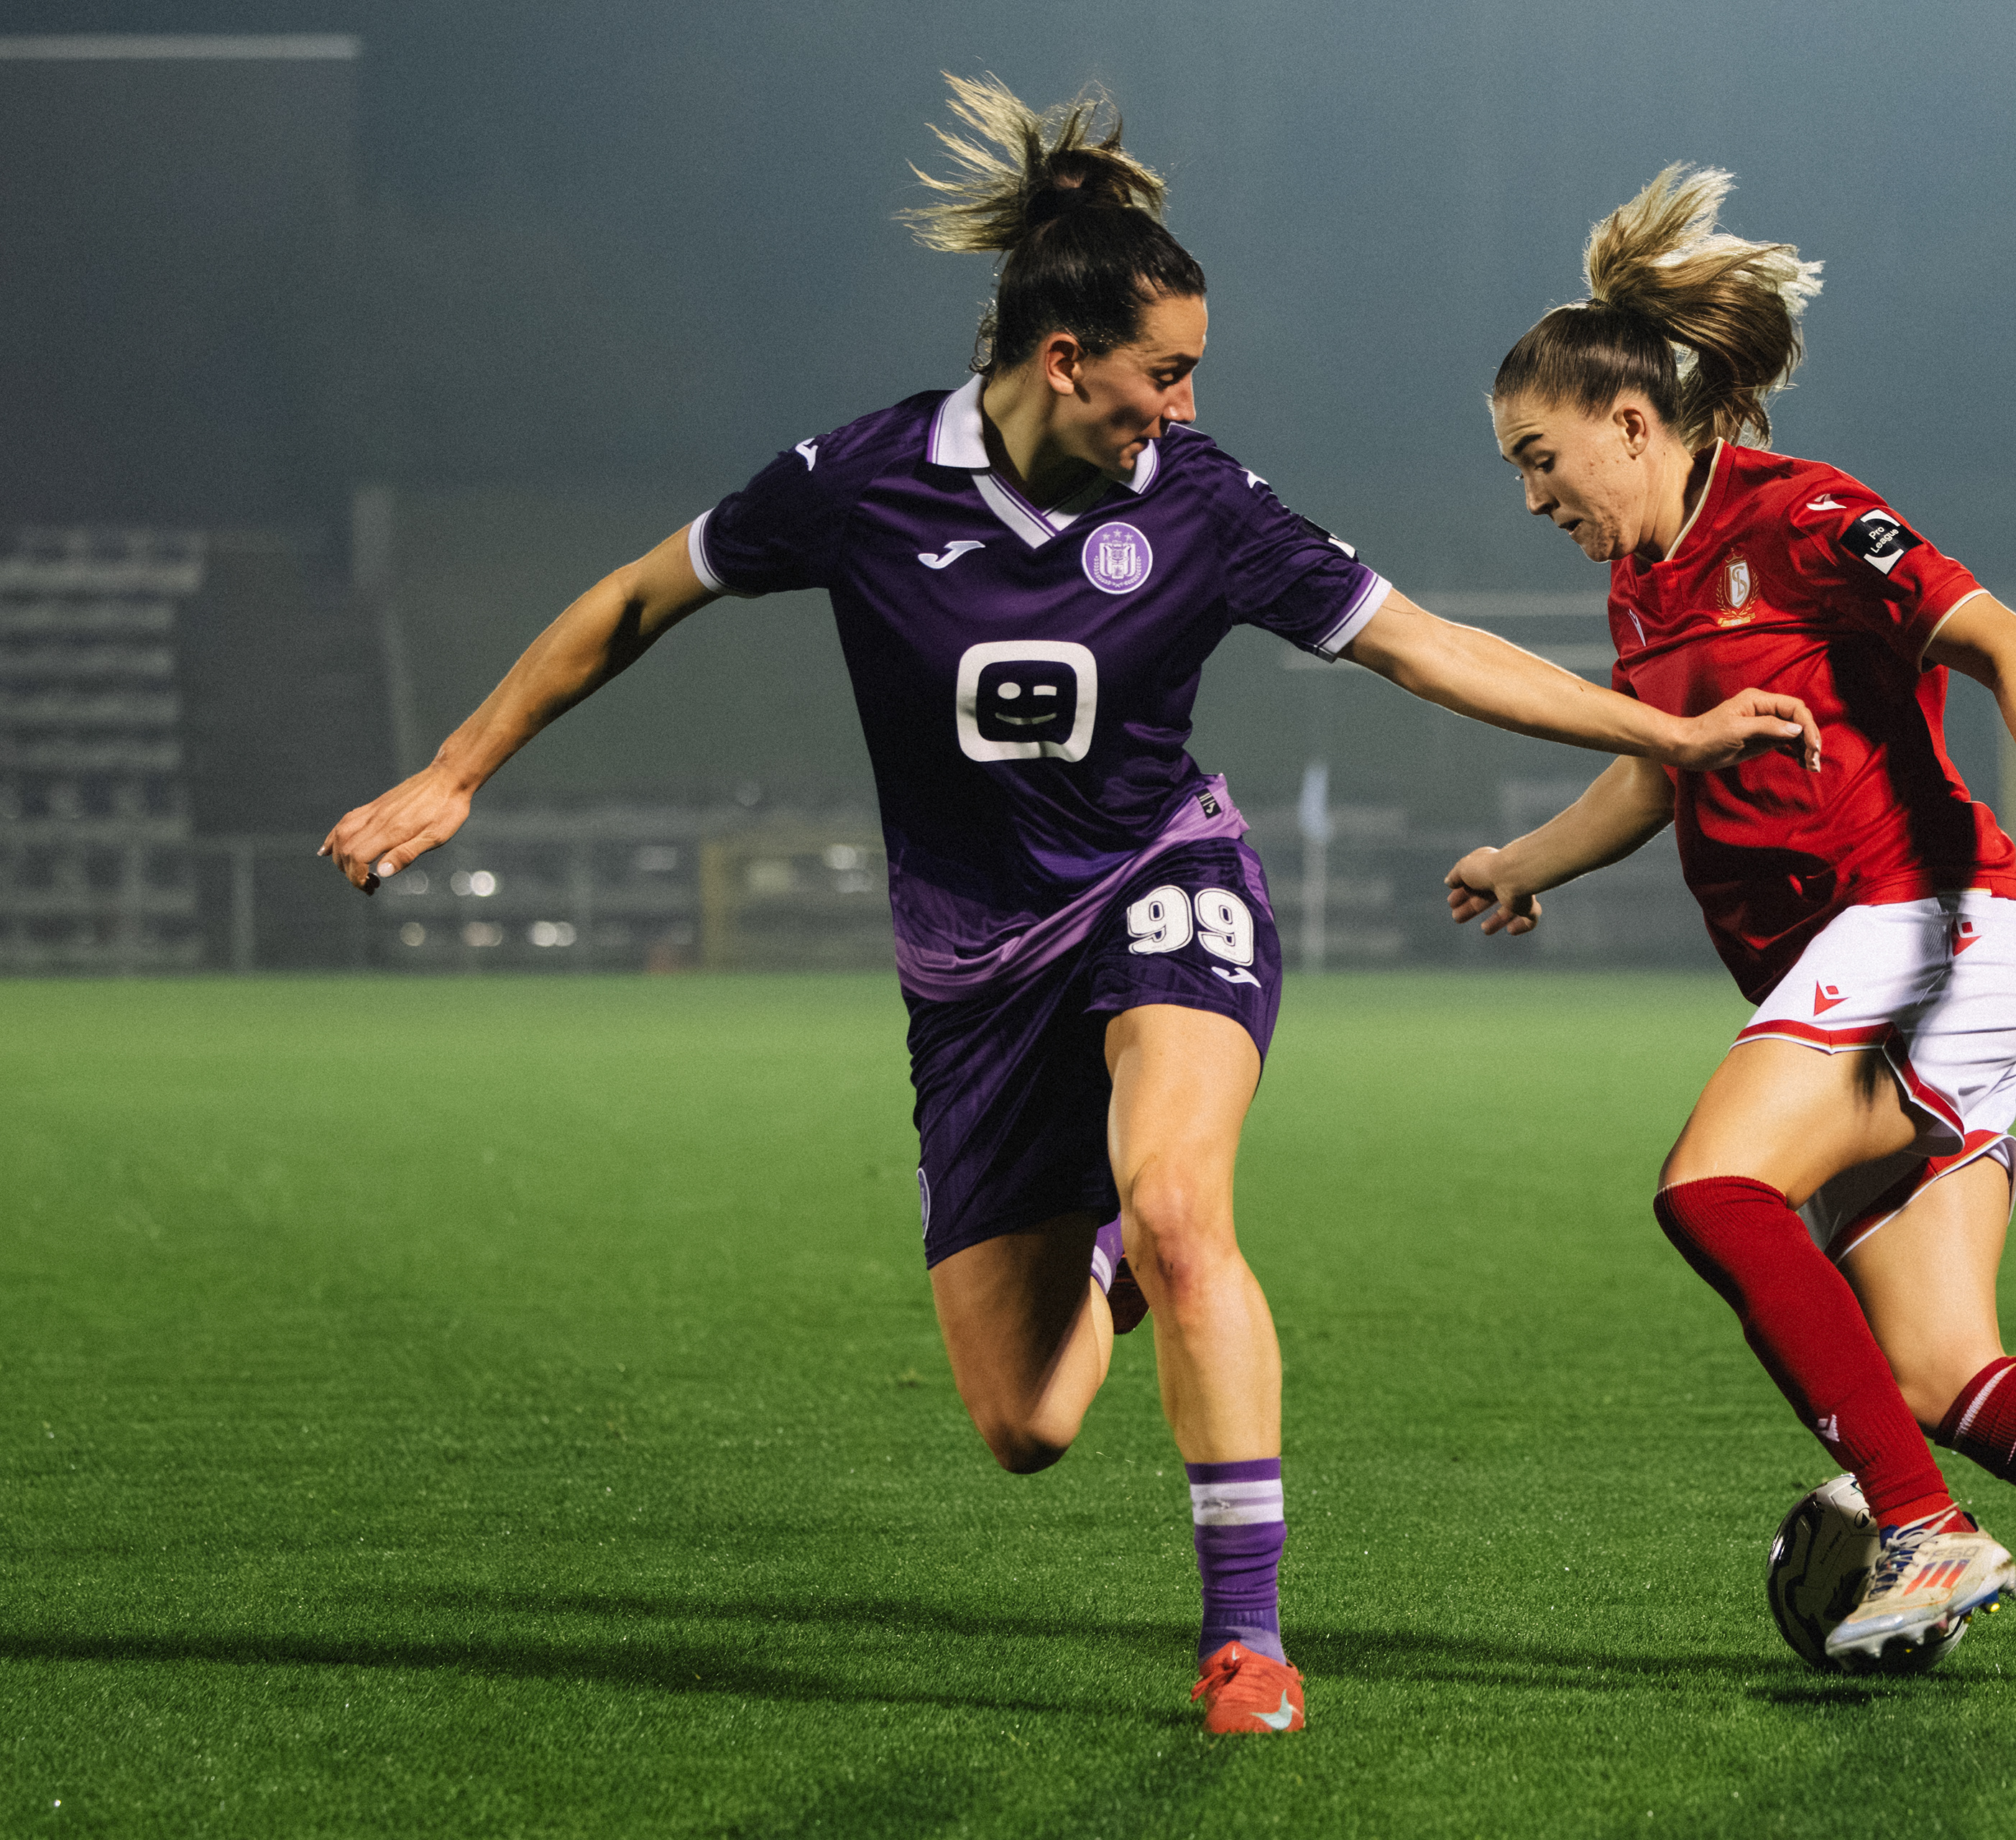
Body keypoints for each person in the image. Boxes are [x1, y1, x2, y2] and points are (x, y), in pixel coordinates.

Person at [317, 83, 1820, 1735]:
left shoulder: (1200, 498)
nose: (1182, 401)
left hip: (1159, 883)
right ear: (1060, 361)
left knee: (1184, 1205)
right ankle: (1110, 1248)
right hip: (968, 976)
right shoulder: (862, 479)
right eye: (1161, 370)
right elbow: (632, 600)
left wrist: (1662, 727)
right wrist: (456, 769)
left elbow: (1423, 643)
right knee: (1024, 1419)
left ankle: (1242, 1635)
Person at [1446, 167, 2016, 1695]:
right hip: (1875, 970)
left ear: (1632, 422)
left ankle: (1922, 1532)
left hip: (1929, 931)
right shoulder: (1643, 582)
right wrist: (1523, 857)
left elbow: (2004, 638)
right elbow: (1655, 765)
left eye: (1540, 459)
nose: (1534, 493)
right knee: (1948, 1368)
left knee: (1716, 1186)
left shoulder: (1803, 513)